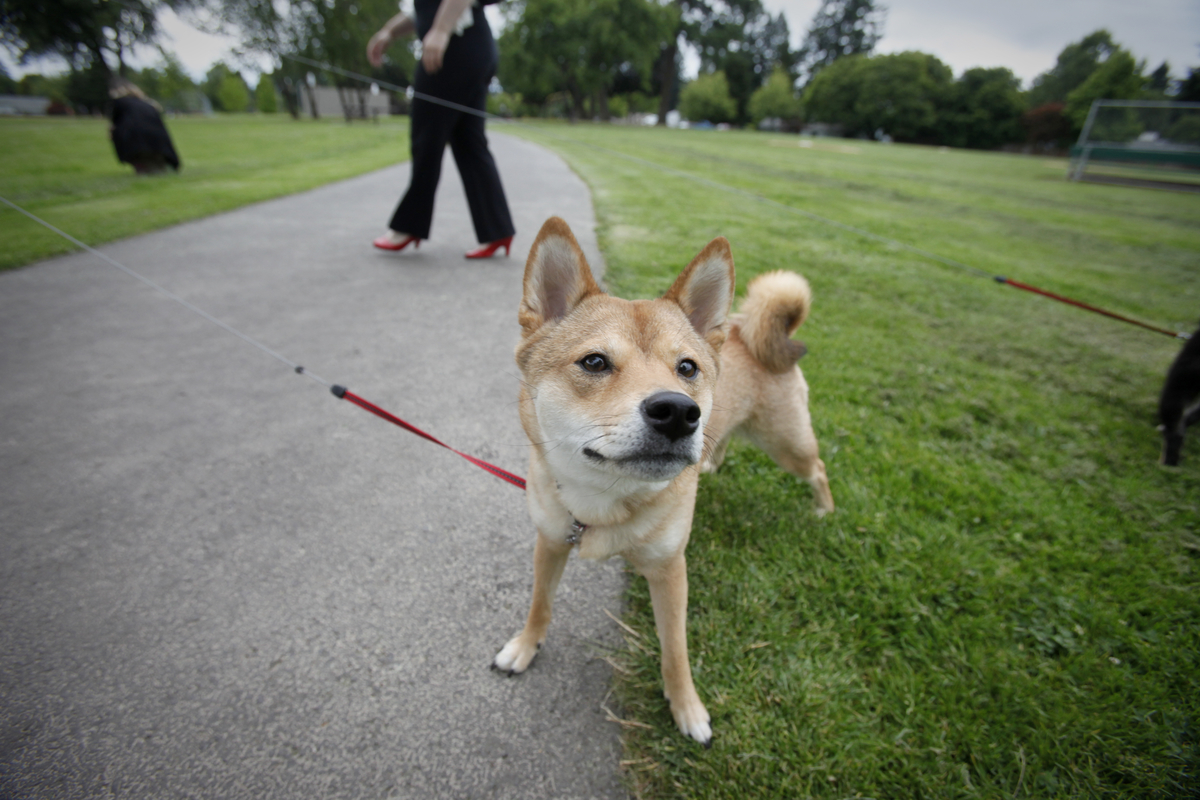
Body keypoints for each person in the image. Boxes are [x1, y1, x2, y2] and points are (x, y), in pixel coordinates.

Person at [367, 0, 515, 259]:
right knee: (469, 142)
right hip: (475, 49)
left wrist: (440, 30)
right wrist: (388, 32)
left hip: (454, 48)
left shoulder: (444, 33)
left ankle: (408, 225)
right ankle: (497, 229)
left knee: (426, 137)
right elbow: (420, 9)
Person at [109, 79, 181, 175]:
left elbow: (114, 123)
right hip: (159, 142)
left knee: (145, 164)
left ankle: (142, 166)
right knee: (155, 167)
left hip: (134, 140)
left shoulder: (120, 102)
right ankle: (156, 165)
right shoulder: (148, 104)